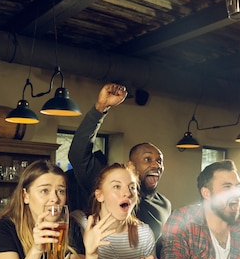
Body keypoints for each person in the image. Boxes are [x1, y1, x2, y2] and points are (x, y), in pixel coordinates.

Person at [0, 159, 116, 259]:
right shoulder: (5, 228)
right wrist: (37, 249)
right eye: (45, 191)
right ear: (25, 196)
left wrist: (92, 255)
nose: (55, 199)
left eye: (61, 191)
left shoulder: (68, 226)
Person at [68, 83, 172, 247]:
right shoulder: (109, 189)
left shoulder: (164, 204)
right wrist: (100, 108)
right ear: (131, 165)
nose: (156, 165)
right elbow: (78, 155)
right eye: (147, 159)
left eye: (160, 161)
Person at [68, 162, 174, 259]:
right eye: (117, 186)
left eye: (132, 187)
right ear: (100, 195)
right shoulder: (80, 223)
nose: (127, 193)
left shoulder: (144, 233)